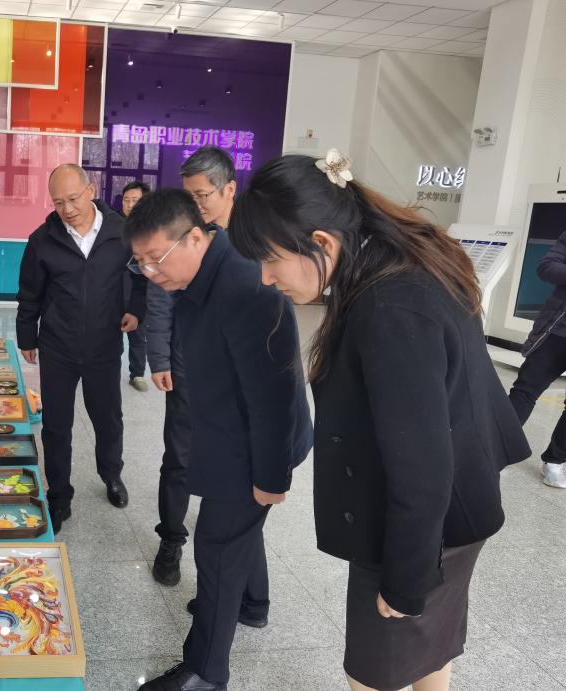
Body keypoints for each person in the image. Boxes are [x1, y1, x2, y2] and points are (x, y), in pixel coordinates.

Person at [228, 150, 530, 691]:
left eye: (272, 259)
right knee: (428, 649)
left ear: (323, 242)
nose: (267, 278)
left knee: (370, 672)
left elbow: (423, 468)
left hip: (421, 529)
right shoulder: (393, 262)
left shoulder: (389, 304)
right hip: (450, 512)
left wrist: (406, 579)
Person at [126, 189, 312, 691]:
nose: (150, 273)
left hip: (255, 445)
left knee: (217, 548)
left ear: (194, 237)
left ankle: (206, 673)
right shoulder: (200, 273)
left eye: (156, 259)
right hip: (227, 427)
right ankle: (252, 604)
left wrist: (270, 478)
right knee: (239, 533)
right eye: (140, 263)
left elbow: (274, 397)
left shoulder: (246, 284)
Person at [16, 164, 146, 535]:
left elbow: (143, 276)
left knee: (108, 418)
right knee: (57, 425)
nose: (67, 209)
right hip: (57, 346)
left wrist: (136, 310)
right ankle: (59, 495)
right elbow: (30, 292)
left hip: (105, 344)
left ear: (91, 190)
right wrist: (26, 336)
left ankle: (112, 475)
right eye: (58, 202)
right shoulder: (43, 240)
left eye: (73, 199)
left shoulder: (122, 232)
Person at [146, 147, 238, 589]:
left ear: (229, 189)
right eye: (189, 195)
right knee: (179, 457)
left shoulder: (255, 238)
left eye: (203, 196)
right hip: (188, 367)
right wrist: (160, 357)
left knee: (236, 466)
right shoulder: (180, 230)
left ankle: (239, 567)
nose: (195, 205)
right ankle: (171, 540)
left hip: (237, 373)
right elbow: (160, 295)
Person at [508, 229, 566, 488]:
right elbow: (547, 267)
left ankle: (556, 461)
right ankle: (493, 449)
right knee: (524, 391)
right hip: (556, 331)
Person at [122, 181, 152, 392]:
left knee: (138, 336)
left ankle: (138, 374)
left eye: (135, 200)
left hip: (139, 291)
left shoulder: (151, 232)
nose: (130, 204)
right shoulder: (114, 228)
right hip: (114, 292)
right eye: (126, 200)